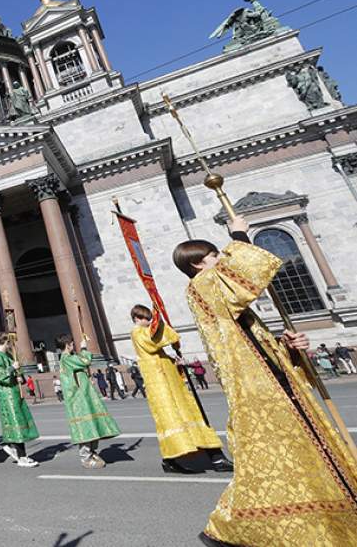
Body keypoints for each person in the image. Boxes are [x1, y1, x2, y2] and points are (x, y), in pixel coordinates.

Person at [173, 214, 357, 545]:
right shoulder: (201, 287)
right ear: (198, 265)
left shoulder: (231, 305)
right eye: (216, 256)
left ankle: (319, 521)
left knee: (291, 464)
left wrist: (289, 350)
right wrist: (240, 235)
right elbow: (243, 278)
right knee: (273, 463)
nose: (222, 259)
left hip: (272, 386)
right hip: (257, 393)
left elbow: (257, 349)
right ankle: (229, 528)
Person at [129, 304, 232, 475]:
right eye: (145, 318)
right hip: (161, 387)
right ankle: (207, 458)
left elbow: (159, 351)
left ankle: (210, 458)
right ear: (137, 319)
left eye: (149, 318)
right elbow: (151, 342)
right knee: (173, 420)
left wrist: (177, 363)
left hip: (172, 385)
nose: (148, 321)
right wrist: (160, 321)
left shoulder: (154, 344)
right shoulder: (137, 332)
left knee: (190, 416)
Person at [58, 333, 119, 468]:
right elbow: (85, 361)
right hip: (79, 398)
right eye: (72, 344)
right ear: (67, 345)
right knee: (85, 427)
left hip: (84, 396)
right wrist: (84, 348)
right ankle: (85, 457)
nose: (74, 346)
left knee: (92, 424)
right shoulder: (67, 358)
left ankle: (92, 452)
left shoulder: (70, 357)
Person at [0, 333, 39, 467]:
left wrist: (19, 377)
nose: (11, 345)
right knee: (17, 424)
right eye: (9, 342)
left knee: (20, 423)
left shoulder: (9, 356)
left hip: (15, 394)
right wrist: (12, 368)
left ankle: (16, 450)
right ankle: (21, 456)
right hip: (8, 396)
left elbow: (17, 374)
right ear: (4, 342)